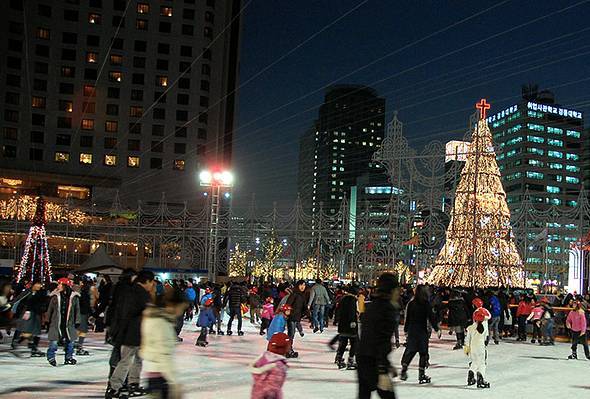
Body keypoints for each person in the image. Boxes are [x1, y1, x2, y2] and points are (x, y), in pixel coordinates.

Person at [106, 270, 155, 399]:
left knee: (136, 359)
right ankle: (115, 387)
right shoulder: (140, 294)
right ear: (147, 281)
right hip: (133, 333)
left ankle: (132, 383)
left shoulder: (131, 291)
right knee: (126, 360)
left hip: (132, 332)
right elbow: (135, 313)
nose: (152, 285)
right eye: (152, 282)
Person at [140, 286, 188, 399]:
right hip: (161, 377)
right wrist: (174, 382)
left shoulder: (154, 318)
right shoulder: (161, 323)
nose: (181, 312)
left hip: (154, 374)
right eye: (181, 308)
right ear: (172, 305)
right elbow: (163, 355)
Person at [357, 273, 399, 399]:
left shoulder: (372, 306)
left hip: (363, 357)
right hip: (374, 360)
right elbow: (381, 341)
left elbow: (368, 335)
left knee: (364, 395)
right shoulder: (387, 309)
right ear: (392, 290)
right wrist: (383, 370)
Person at [400, 285, 438, 384]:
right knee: (423, 353)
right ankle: (421, 375)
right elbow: (431, 317)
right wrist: (437, 328)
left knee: (411, 351)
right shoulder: (426, 304)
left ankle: (404, 369)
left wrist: (406, 329)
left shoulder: (411, 303)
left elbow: (407, 317)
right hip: (422, 331)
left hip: (413, 330)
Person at [46, 277, 81, 367]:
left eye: (60, 284)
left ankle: (68, 357)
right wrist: (47, 320)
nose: (58, 286)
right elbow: (50, 309)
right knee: (54, 341)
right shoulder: (55, 296)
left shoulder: (74, 297)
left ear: (66, 286)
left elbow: (77, 309)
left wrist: (77, 321)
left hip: (68, 323)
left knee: (71, 341)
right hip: (56, 322)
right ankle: (51, 357)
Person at [250, 332, 291, 399]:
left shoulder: (264, 358)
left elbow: (256, 373)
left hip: (257, 394)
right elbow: (273, 387)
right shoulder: (278, 365)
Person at [464, 307, 491, 388]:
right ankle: (480, 379)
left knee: (474, 362)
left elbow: (467, 339)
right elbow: (486, 339)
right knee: (482, 364)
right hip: (481, 348)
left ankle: (470, 377)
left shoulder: (470, 328)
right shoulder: (484, 328)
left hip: (472, 348)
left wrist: (466, 349)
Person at [335, 285, 358, 370]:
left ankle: (339, 358)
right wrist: (353, 322)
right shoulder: (352, 300)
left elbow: (338, 310)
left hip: (342, 325)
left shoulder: (343, 299)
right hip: (350, 326)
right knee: (354, 343)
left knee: (343, 343)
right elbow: (352, 312)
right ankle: (351, 360)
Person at [285, 280, 307, 357]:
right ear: (298, 285)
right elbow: (288, 304)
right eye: (301, 285)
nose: (303, 287)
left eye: (304, 285)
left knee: (292, 334)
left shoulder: (302, 295)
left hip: (297, 317)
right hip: (291, 317)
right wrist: (287, 311)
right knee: (291, 334)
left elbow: (304, 307)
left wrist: (309, 315)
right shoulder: (294, 294)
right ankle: (288, 350)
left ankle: (289, 349)